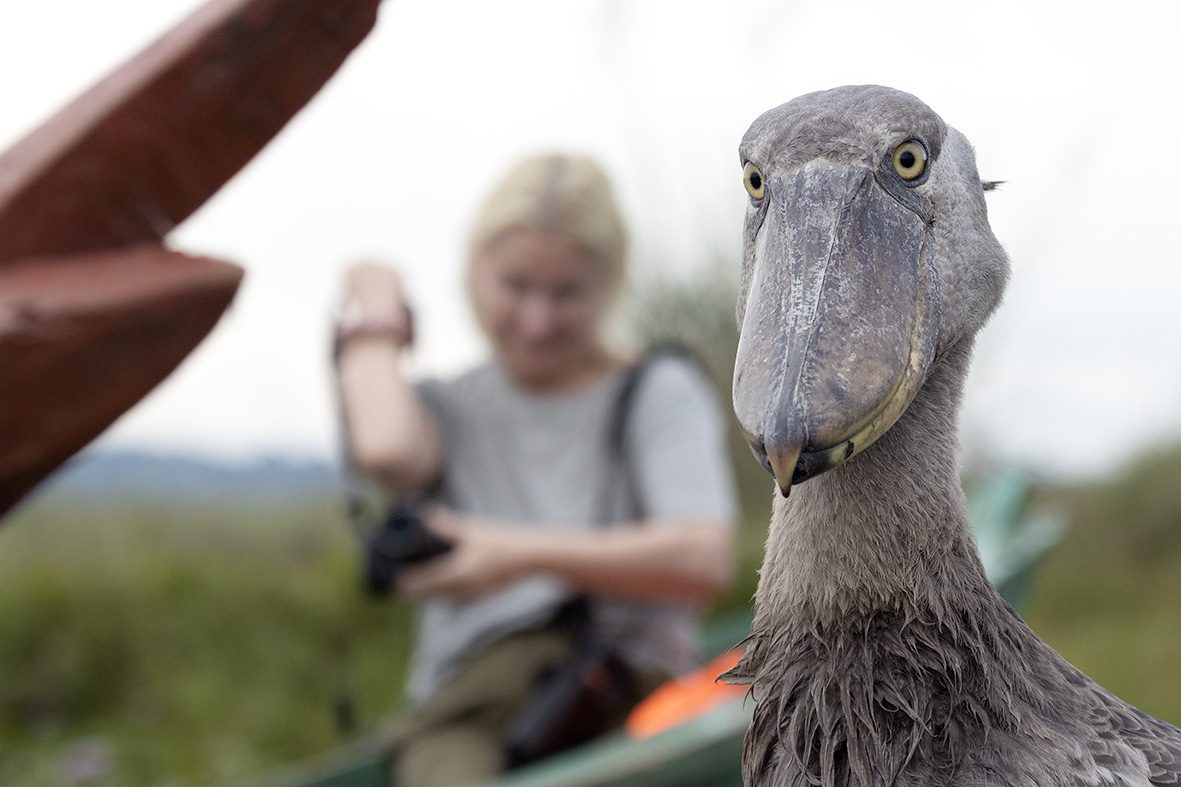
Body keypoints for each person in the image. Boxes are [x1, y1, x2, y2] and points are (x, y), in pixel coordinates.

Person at [334, 153, 737, 786]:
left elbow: (702, 560)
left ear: (607, 283)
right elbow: (384, 449)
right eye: (516, 287)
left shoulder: (658, 389)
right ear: (474, 274)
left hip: (625, 693)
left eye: (565, 292)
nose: (537, 321)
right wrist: (375, 306)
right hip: (470, 712)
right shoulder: (450, 406)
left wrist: (510, 555)